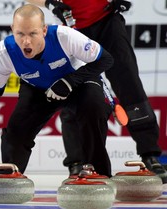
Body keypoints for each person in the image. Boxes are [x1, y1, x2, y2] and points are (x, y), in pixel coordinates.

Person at [0, 4, 114, 193]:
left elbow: (106, 59)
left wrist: (70, 81)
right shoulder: (3, 53)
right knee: (17, 128)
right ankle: (10, 175)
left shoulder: (65, 36)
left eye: (33, 34)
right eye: (20, 34)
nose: (26, 41)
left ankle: (98, 172)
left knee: (93, 109)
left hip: (78, 83)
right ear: (12, 30)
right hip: (38, 89)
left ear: (44, 30)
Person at [26, 0, 167, 183]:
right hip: (70, 26)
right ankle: (77, 162)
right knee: (74, 90)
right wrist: (50, 3)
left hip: (107, 21)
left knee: (129, 84)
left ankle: (150, 155)